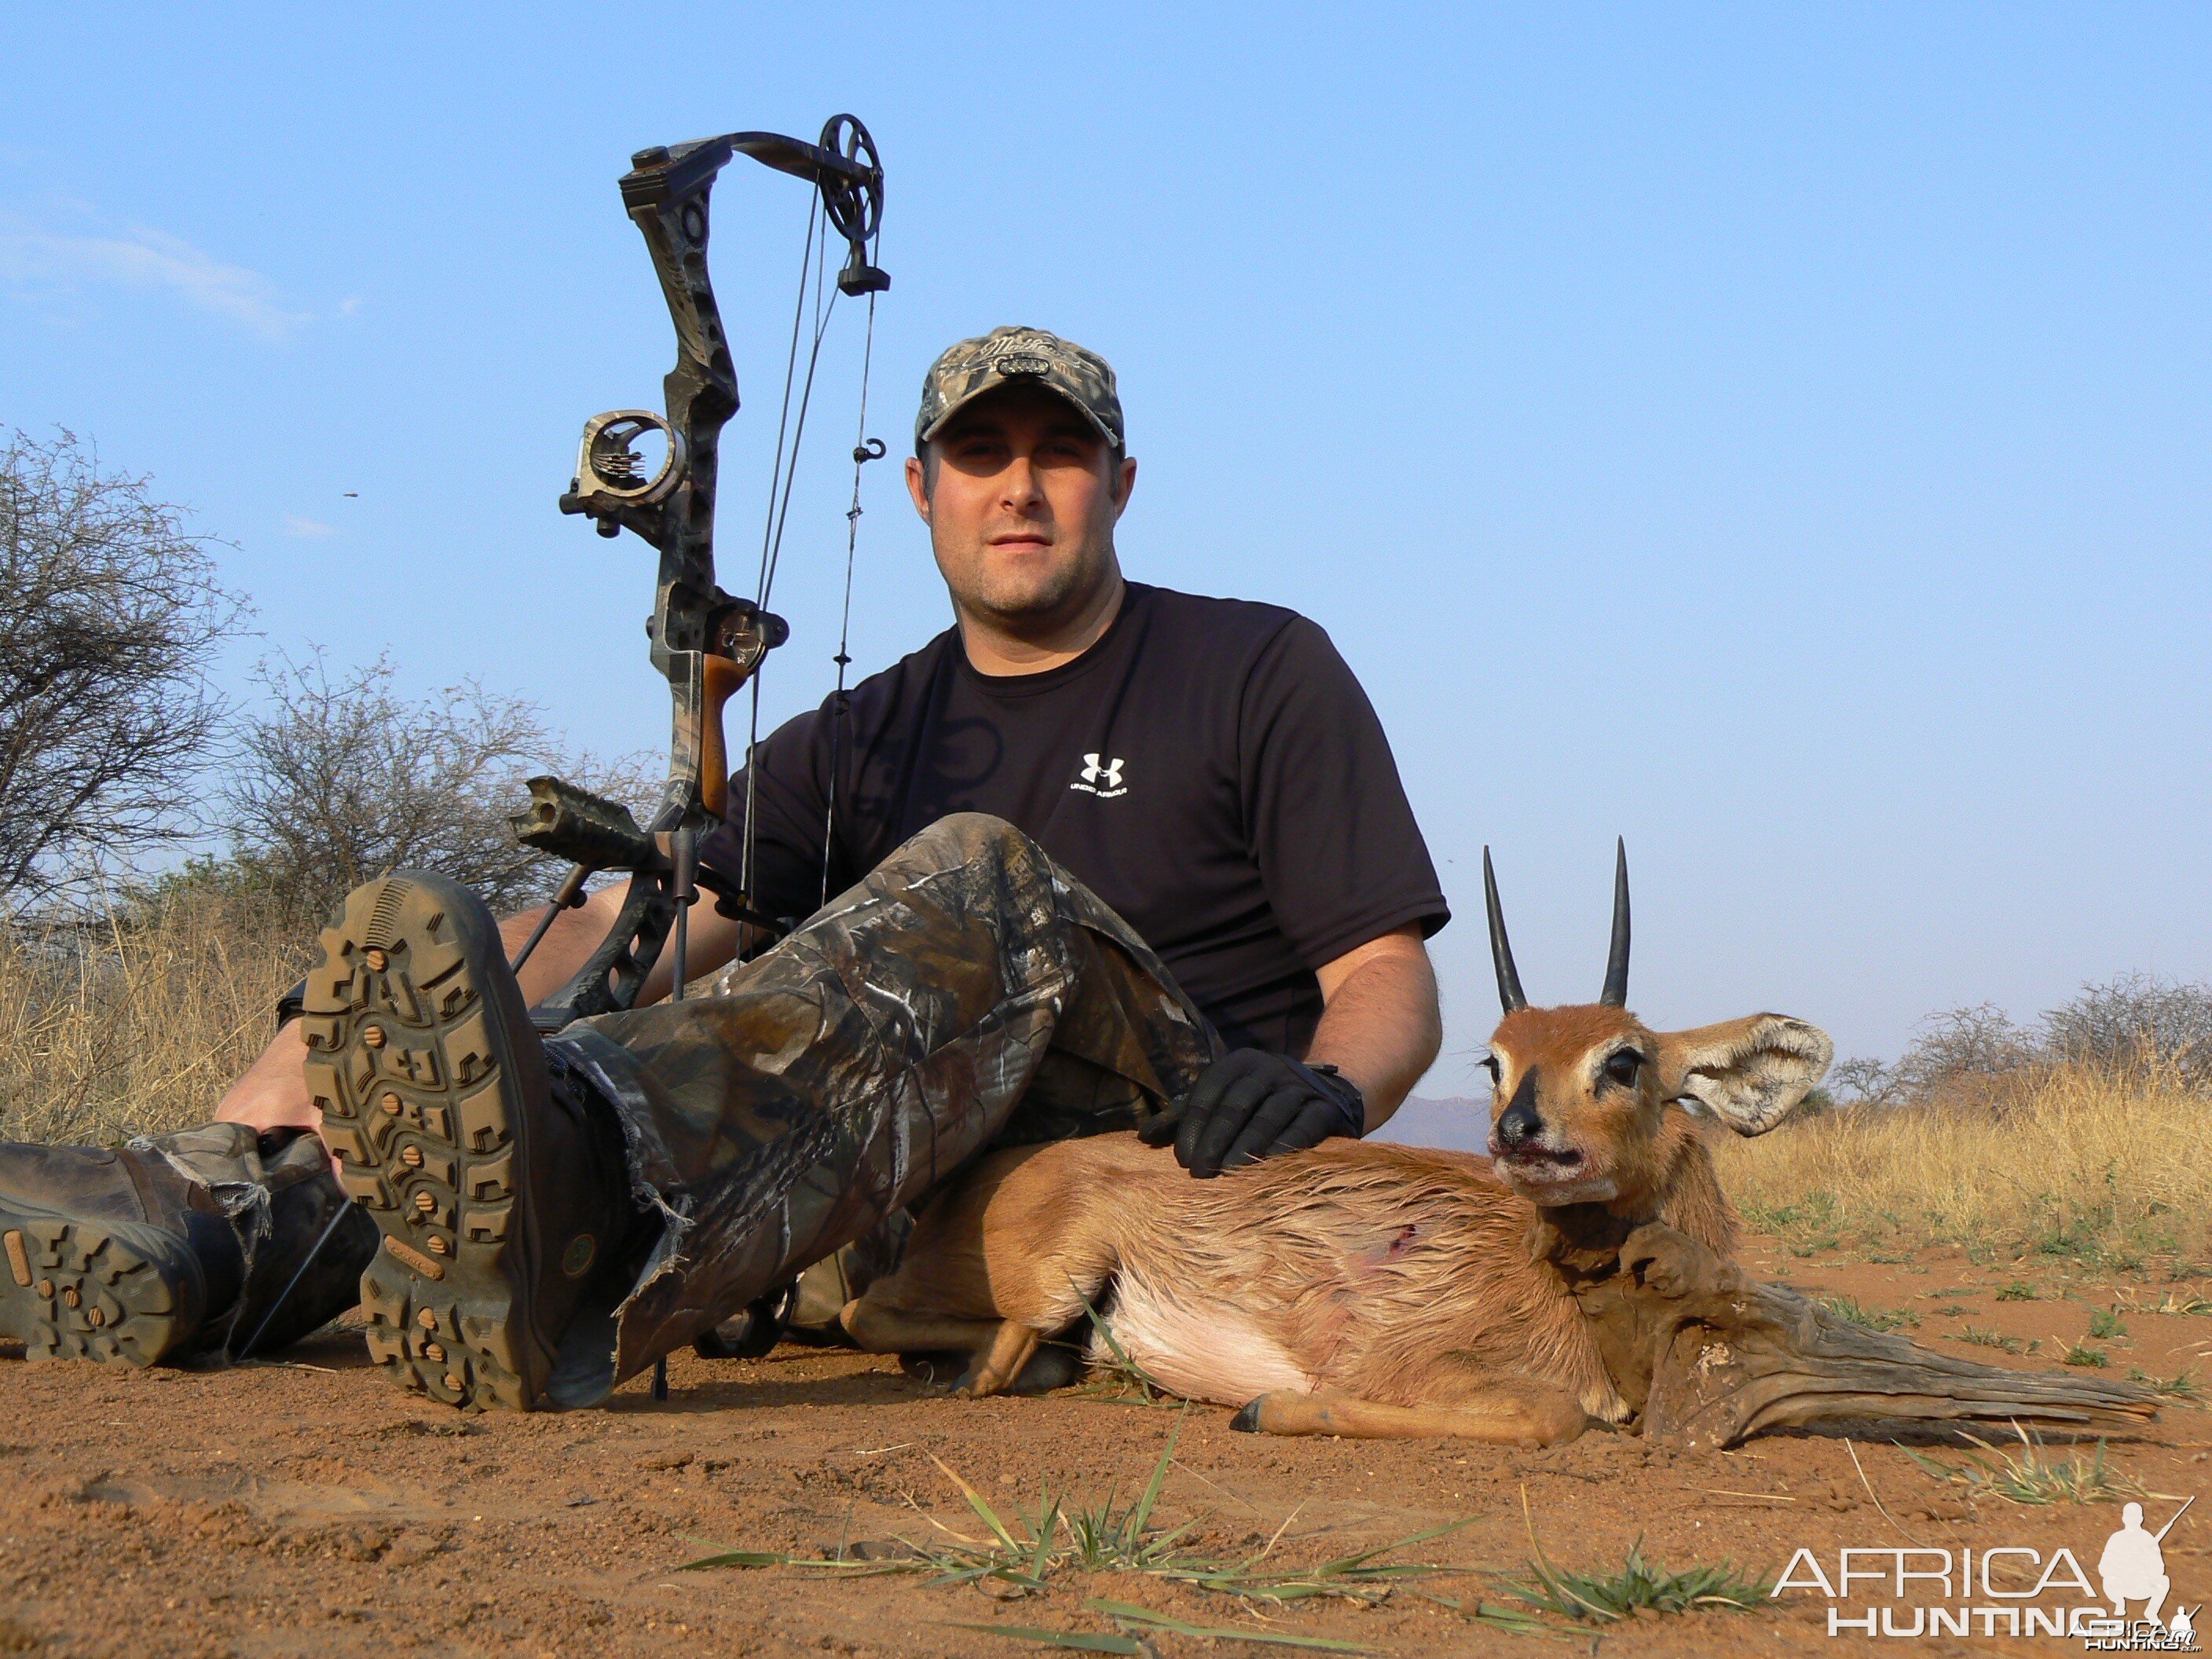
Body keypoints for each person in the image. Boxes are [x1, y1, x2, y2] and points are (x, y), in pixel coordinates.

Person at [0, 328, 1448, 1406]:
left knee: (984, 880)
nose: (1021, 489)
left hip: (1191, 1160)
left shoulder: (1258, 666)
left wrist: (1327, 1091)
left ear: (1119, 483)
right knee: (583, 1018)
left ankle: (567, 1175)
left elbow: (1385, 976)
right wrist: (337, 1028)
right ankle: (215, 1234)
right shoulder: (868, 728)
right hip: (933, 1206)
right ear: (923, 491)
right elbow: (654, 918)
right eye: (982, 457)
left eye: (1057, 455)